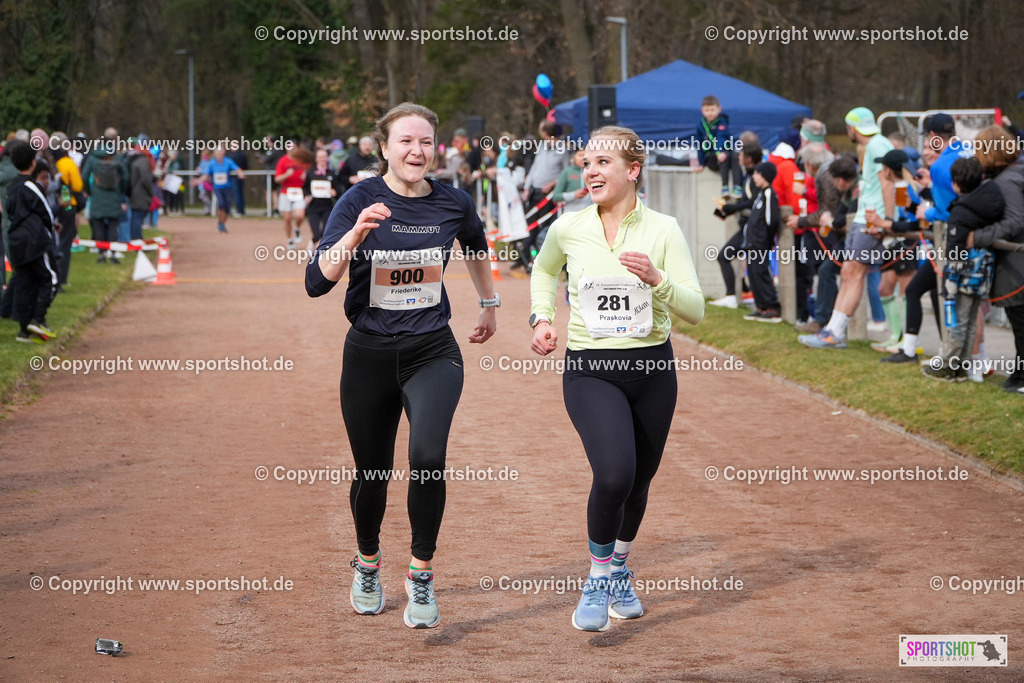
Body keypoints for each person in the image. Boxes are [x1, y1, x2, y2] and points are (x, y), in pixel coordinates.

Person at [305, 102, 497, 629]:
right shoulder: (357, 200)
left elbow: (476, 245)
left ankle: (421, 573)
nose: (417, 151)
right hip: (368, 354)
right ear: (384, 148)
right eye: (406, 141)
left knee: (428, 456)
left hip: (432, 350)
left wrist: (489, 303)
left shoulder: (453, 202)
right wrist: (355, 235)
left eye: (425, 142)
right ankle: (367, 563)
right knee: (373, 473)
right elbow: (316, 282)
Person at [529, 125, 704, 632]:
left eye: (602, 162)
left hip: (652, 370)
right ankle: (598, 577)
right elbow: (544, 270)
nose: (590, 171)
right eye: (587, 163)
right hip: (591, 369)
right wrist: (542, 318)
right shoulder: (568, 227)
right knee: (614, 474)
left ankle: (620, 568)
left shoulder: (664, 230)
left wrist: (657, 279)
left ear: (633, 170)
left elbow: (695, 310)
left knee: (640, 480)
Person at [799, 107, 894, 348]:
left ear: (852, 128)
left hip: (871, 219)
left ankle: (836, 332)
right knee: (847, 273)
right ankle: (832, 329)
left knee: (854, 273)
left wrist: (887, 221)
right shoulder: (873, 146)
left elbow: (887, 183)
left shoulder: (877, 146)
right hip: (864, 217)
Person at [921, 157, 1003, 381]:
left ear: (955, 184)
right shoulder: (989, 202)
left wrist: (950, 283)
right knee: (970, 321)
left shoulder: (961, 213)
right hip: (983, 272)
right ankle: (962, 367)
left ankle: (949, 366)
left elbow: (955, 253)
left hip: (964, 275)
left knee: (957, 321)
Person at [967, 125, 1024, 392]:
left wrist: (977, 236)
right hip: (1015, 261)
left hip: (1017, 263)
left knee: (1020, 321)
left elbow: (1014, 221)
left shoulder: (1007, 181)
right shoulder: (1013, 174)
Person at [5, 141, 58, 342]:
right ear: (33, 162)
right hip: (34, 241)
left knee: (23, 284)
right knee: (51, 278)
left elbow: (9, 210)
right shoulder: (32, 186)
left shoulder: (11, 187)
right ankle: (38, 318)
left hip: (15, 240)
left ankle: (23, 332)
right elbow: (46, 212)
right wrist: (49, 232)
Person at [710, 135, 762, 308]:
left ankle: (734, 297)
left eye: (741, 154)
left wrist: (733, 207)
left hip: (752, 228)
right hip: (747, 227)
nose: (738, 157)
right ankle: (739, 296)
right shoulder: (749, 175)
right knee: (742, 261)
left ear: (749, 158)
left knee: (725, 256)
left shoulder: (755, 176)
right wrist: (728, 209)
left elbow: (754, 202)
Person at [741, 162, 782, 322]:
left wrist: (766, 239)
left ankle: (772, 307)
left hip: (760, 243)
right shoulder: (760, 193)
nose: (754, 177)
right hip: (752, 243)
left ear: (765, 175)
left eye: (757, 173)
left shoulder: (769, 193)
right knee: (753, 274)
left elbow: (772, 220)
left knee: (761, 273)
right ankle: (761, 307)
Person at [81, 140, 129, 263]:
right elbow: (125, 177)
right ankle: (113, 254)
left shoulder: (93, 157)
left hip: (97, 195)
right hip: (114, 195)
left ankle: (101, 255)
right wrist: (121, 190)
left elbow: (84, 176)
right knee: (113, 224)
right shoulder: (117, 157)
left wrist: (90, 191)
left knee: (98, 225)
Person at [693, 95, 742, 197]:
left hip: (723, 154)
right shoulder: (700, 125)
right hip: (712, 158)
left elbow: (721, 137)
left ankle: (737, 187)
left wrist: (719, 151)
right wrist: (701, 163)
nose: (710, 113)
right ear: (702, 110)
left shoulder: (722, 122)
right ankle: (725, 187)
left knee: (734, 154)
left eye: (712, 110)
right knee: (724, 156)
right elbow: (699, 144)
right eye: (707, 110)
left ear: (719, 109)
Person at [195, 145, 244, 234]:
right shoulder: (212, 163)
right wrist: (198, 181)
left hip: (227, 187)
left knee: (227, 208)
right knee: (221, 204)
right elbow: (206, 175)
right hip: (217, 188)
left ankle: (222, 223)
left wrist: (240, 173)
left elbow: (237, 168)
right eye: (217, 154)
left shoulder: (228, 161)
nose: (219, 155)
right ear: (215, 154)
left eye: (220, 154)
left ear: (223, 154)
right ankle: (220, 224)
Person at [275, 144, 313, 247]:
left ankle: (297, 228)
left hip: (299, 191)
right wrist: (287, 174)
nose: (292, 150)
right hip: (286, 192)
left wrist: (306, 176)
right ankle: (289, 239)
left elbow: (311, 172)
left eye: (294, 148)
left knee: (300, 215)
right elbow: (277, 179)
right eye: (289, 147)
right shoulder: (283, 160)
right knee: (287, 218)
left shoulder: (303, 160)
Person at [302, 148, 341, 246]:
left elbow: (338, 191)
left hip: (327, 207)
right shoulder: (310, 173)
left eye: (324, 157)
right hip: (313, 207)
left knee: (325, 232)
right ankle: (312, 242)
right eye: (320, 157)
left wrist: (334, 192)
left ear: (327, 158)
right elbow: (305, 187)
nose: (322, 159)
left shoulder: (332, 174)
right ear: (316, 159)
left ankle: (320, 250)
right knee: (316, 234)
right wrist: (306, 196)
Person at [127, 138, 156, 241]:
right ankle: (136, 240)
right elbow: (145, 179)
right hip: (140, 194)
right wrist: (151, 192)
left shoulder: (132, 158)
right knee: (137, 218)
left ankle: (135, 238)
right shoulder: (142, 160)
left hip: (133, 192)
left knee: (136, 218)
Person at [551, 143, 591, 213]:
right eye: (580, 155)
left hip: (590, 213)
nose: (583, 158)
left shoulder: (593, 171)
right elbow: (555, 196)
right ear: (573, 157)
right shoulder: (567, 171)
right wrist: (574, 195)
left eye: (585, 155)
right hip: (571, 213)